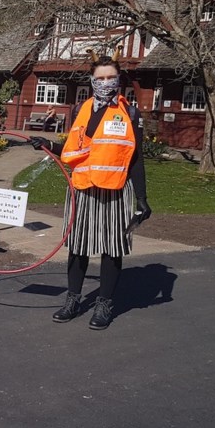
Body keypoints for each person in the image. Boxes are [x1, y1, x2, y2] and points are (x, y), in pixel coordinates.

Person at [30, 47, 151, 330]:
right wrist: (49, 145)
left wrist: (142, 198)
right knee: (78, 246)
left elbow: (135, 157)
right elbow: (78, 150)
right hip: (83, 188)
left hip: (116, 190)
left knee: (112, 248)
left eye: (111, 77)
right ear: (92, 80)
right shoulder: (79, 110)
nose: (106, 82)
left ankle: (104, 304)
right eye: (101, 77)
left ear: (119, 79)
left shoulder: (130, 113)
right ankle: (73, 300)